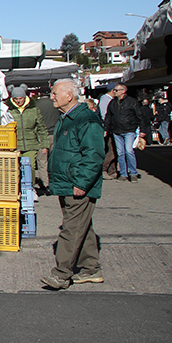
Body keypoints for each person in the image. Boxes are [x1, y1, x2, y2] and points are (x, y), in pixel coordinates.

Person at [43, 79, 105, 289]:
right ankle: (91, 269)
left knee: (71, 229)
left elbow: (94, 154)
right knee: (81, 226)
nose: (52, 97)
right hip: (67, 182)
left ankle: (61, 274)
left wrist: (82, 182)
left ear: (69, 96)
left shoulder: (85, 119)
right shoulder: (67, 117)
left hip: (77, 184)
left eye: (54, 93)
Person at [6, 84, 51, 193]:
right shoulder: (7, 110)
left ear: (25, 97)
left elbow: (42, 128)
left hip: (31, 144)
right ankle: (17, 190)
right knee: (15, 169)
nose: (18, 101)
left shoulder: (34, 109)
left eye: (20, 98)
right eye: (15, 99)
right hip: (14, 145)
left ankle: (30, 188)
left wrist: (45, 145)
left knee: (30, 167)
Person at [103, 83, 149, 182]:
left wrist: (143, 130)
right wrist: (106, 129)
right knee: (120, 153)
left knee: (129, 151)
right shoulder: (113, 103)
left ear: (123, 91)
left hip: (129, 130)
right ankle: (123, 173)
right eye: (114, 90)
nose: (114, 92)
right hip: (116, 131)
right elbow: (108, 116)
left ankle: (133, 173)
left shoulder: (132, 102)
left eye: (116, 90)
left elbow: (140, 116)